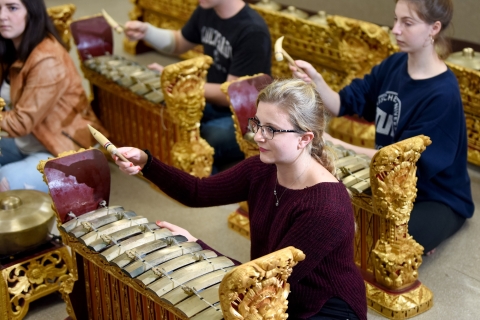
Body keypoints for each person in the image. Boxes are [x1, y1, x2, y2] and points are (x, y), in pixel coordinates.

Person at [114, 79, 367, 320]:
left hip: (321, 309)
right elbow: (198, 192)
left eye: (271, 130)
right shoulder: (262, 168)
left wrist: (197, 246)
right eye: (258, 123)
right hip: (275, 293)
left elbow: (264, 283)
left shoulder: (325, 208)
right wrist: (147, 163)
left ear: (305, 139)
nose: (258, 136)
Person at [292, 0, 474, 254]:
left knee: (382, 246)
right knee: (328, 220)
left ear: (434, 28)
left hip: (434, 196)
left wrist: (336, 143)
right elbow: (344, 103)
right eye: (396, 19)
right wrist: (317, 81)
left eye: (407, 23)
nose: (395, 29)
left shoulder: (442, 94)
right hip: (387, 177)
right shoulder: (394, 65)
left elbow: (402, 162)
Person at [124, 0, 272, 173]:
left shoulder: (253, 31)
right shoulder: (207, 9)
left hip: (249, 118)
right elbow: (179, 42)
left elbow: (231, 95)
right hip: (215, 104)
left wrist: (182, 83)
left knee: (200, 139)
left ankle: (210, 190)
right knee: (172, 119)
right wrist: (147, 32)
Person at [0, 0, 106, 192]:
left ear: (32, 12)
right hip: (30, 140)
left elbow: (20, 123)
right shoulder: (9, 46)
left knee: (4, 179)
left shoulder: (46, 59)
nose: (2, 16)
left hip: (66, 151)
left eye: (12, 7)